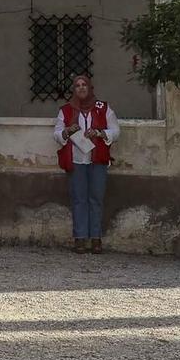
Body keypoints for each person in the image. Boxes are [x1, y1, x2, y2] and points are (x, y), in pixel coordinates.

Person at [55, 73, 122, 253]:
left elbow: (116, 131)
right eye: (77, 85)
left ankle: (96, 238)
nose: (81, 87)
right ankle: (80, 238)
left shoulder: (103, 108)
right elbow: (57, 133)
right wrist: (68, 131)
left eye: (84, 84)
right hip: (76, 160)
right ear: (74, 89)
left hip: (97, 160)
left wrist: (99, 133)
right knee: (79, 199)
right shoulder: (66, 110)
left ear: (90, 87)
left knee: (96, 199)